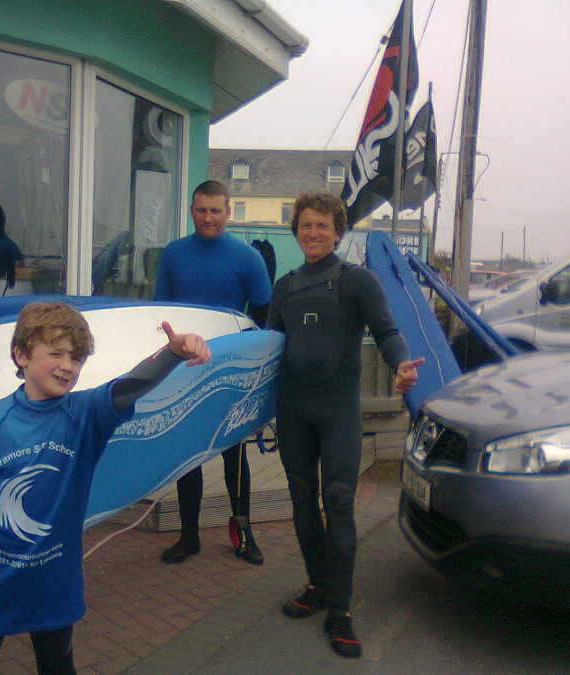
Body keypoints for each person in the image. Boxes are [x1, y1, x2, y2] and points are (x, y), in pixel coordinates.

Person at [0, 301, 211, 674]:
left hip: (54, 581)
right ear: (21, 355)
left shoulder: (86, 414)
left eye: (76, 358)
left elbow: (129, 387)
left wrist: (172, 354)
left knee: (57, 665)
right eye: (56, 353)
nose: (68, 365)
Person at [267, 191, 422, 659]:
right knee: (300, 499)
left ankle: (341, 608)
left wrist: (400, 365)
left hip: (337, 412)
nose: (313, 233)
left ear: (338, 232)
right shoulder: (285, 287)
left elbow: (388, 332)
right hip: (293, 409)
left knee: (337, 501)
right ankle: (317, 584)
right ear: (296, 232)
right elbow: (268, 349)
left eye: (322, 225)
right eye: (305, 225)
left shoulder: (357, 281)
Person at [153, 180, 272, 566]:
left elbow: (265, 321)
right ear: (191, 211)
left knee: (233, 455)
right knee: (188, 456)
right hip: (186, 367)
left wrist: (258, 380)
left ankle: (244, 535)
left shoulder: (247, 257)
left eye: (215, 210)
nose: (208, 217)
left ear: (228, 212)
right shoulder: (173, 255)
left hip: (231, 369)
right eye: (201, 210)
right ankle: (189, 537)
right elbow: (160, 316)